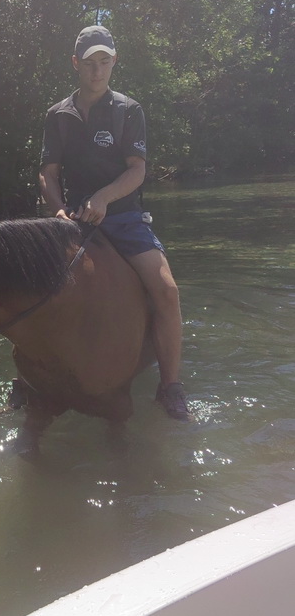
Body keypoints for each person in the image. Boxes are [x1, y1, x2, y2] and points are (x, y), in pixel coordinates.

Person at [39, 25, 191, 421]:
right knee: (31, 287)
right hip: (72, 220)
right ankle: (27, 381)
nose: (97, 71)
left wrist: (104, 198)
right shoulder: (57, 114)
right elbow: (47, 173)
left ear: (114, 62)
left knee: (167, 290)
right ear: (76, 64)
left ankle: (170, 387)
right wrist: (57, 210)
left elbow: (138, 171)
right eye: (89, 63)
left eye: (104, 62)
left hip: (124, 218)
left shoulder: (129, 109)